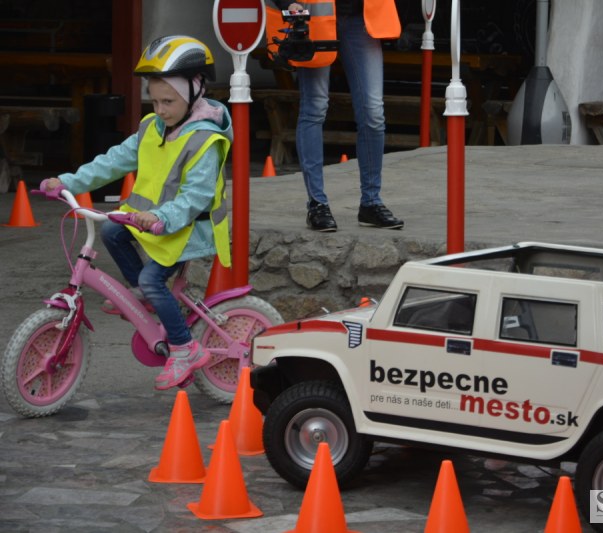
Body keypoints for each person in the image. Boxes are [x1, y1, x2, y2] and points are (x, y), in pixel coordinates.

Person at [40, 35, 233, 391]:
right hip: (153, 224)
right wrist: (67, 181)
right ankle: (143, 294)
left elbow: (196, 195)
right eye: (154, 101)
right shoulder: (152, 127)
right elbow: (114, 161)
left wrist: (163, 218)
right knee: (112, 232)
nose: (160, 109)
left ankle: (185, 349)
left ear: (195, 92)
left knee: (152, 279)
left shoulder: (205, 140)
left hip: (187, 228)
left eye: (168, 102)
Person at [278, 0, 405, 232]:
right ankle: (317, 204)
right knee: (315, 108)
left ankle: (371, 202)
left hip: (362, 19)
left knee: (373, 113)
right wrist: (288, 4)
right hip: (315, 19)